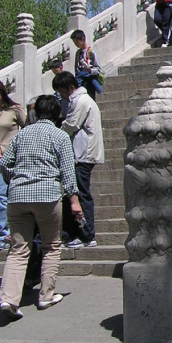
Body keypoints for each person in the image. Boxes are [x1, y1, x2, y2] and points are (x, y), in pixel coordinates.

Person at [0, 95, 82, 323]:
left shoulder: (21, 134)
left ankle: (8, 299)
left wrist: (14, 178)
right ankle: (46, 295)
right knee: (51, 246)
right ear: (57, 114)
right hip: (47, 196)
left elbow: (5, 163)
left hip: (18, 196)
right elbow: (68, 171)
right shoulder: (60, 136)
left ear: (35, 113)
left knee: (18, 249)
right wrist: (74, 201)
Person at [51, 72, 103, 250]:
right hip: (82, 153)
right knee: (76, 193)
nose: (62, 96)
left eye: (62, 91)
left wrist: (58, 128)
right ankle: (75, 234)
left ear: (70, 87)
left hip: (83, 153)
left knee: (80, 194)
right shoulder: (82, 100)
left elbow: (71, 125)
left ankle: (86, 235)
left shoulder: (80, 101)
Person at [0, 79, 26, 250]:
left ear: (1, 92)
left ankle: (2, 235)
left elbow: (27, 129)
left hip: (10, 160)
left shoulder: (14, 110)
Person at [71, 30, 102, 101]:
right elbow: (76, 68)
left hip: (89, 81)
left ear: (83, 39)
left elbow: (98, 69)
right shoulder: (78, 53)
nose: (76, 44)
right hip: (80, 82)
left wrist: (90, 70)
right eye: (74, 43)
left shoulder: (91, 52)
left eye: (77, 42)